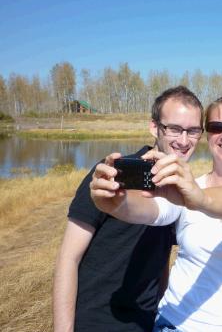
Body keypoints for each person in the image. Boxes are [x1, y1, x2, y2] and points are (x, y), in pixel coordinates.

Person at [90, 95, 222, 331]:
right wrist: (113, 203)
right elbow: (151, 210)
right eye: (216, 127)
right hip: (175, 323)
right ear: (208, 135)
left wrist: (201, 198)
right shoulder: (188, 188)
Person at [52, 86, 205, 332]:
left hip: (146, 323)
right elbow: (68, 257)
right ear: (154, 127)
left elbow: (161, 256)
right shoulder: (112, 175)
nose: (184, 140)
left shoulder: (182, 187)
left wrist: (159, 311)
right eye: (174, 129)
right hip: (95, 322)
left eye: (193, 130)